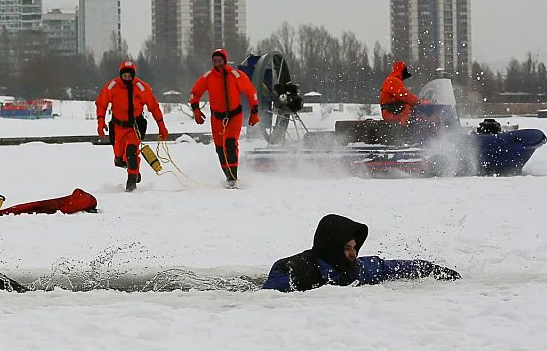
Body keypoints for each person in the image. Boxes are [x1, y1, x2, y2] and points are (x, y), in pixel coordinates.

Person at [262, 214, 460, 292]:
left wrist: (435, 270)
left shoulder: (357, 269)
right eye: (346, 248)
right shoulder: (290, 270)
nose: (353, 253)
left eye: (355, 247)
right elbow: (263, 301)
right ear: (331, 246)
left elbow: (391, 268)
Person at [189, 49, 259, 189]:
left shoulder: (236, 75)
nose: (217, 64)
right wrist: (196, 110)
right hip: (217, 118)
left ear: (225, 61)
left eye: (220, 61)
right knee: (220, 148)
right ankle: (228, 176)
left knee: (230, 144)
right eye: (214, 61)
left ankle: (233, 178)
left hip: (234, 116)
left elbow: (251, 93)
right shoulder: (208, 77)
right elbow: (194, 93)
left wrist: (254, 112)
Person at [96, 60, 168, 192]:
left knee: (131, 151)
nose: (127, 79)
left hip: (135, 126)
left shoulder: (141, 87)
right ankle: (133, 169)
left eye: (130, 76)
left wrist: (161, 126)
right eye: (125, 76)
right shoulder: (112, 86)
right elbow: (101, 104)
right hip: (117, 127)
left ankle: (131, 184)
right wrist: (101, 121)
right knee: (119, 160)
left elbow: (153, 107)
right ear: (120, 75)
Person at [380, 61, 430, 126]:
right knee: (411, 112)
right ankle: (405, 130)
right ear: (402, 72)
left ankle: (407, 129)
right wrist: (420, 102)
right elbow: (405, 96)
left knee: (413, 109)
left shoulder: (393, 81)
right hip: (392, 112)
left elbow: (405, 97)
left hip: (393, 110)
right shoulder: (392, 81)